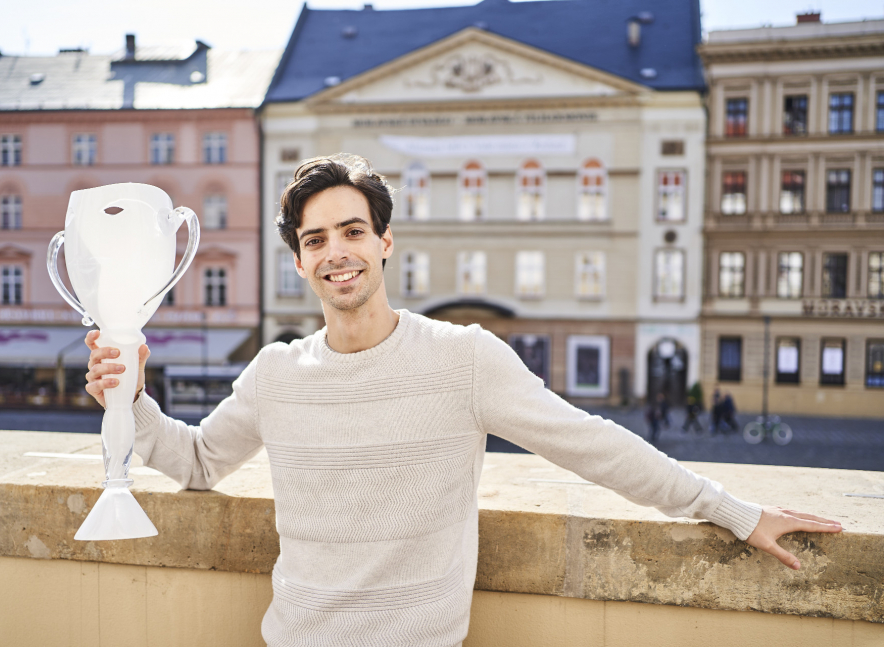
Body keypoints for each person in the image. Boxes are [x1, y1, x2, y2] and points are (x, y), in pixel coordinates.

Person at [83, 154, 842, 647]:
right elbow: (197, 462)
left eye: (352, 230)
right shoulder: (277, 371)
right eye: (316, 240)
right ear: (299, 262)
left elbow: (595, 444)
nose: (335, 251)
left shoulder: (464, 358)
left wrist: (736, 511)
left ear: (385, 243)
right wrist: (133, 399)